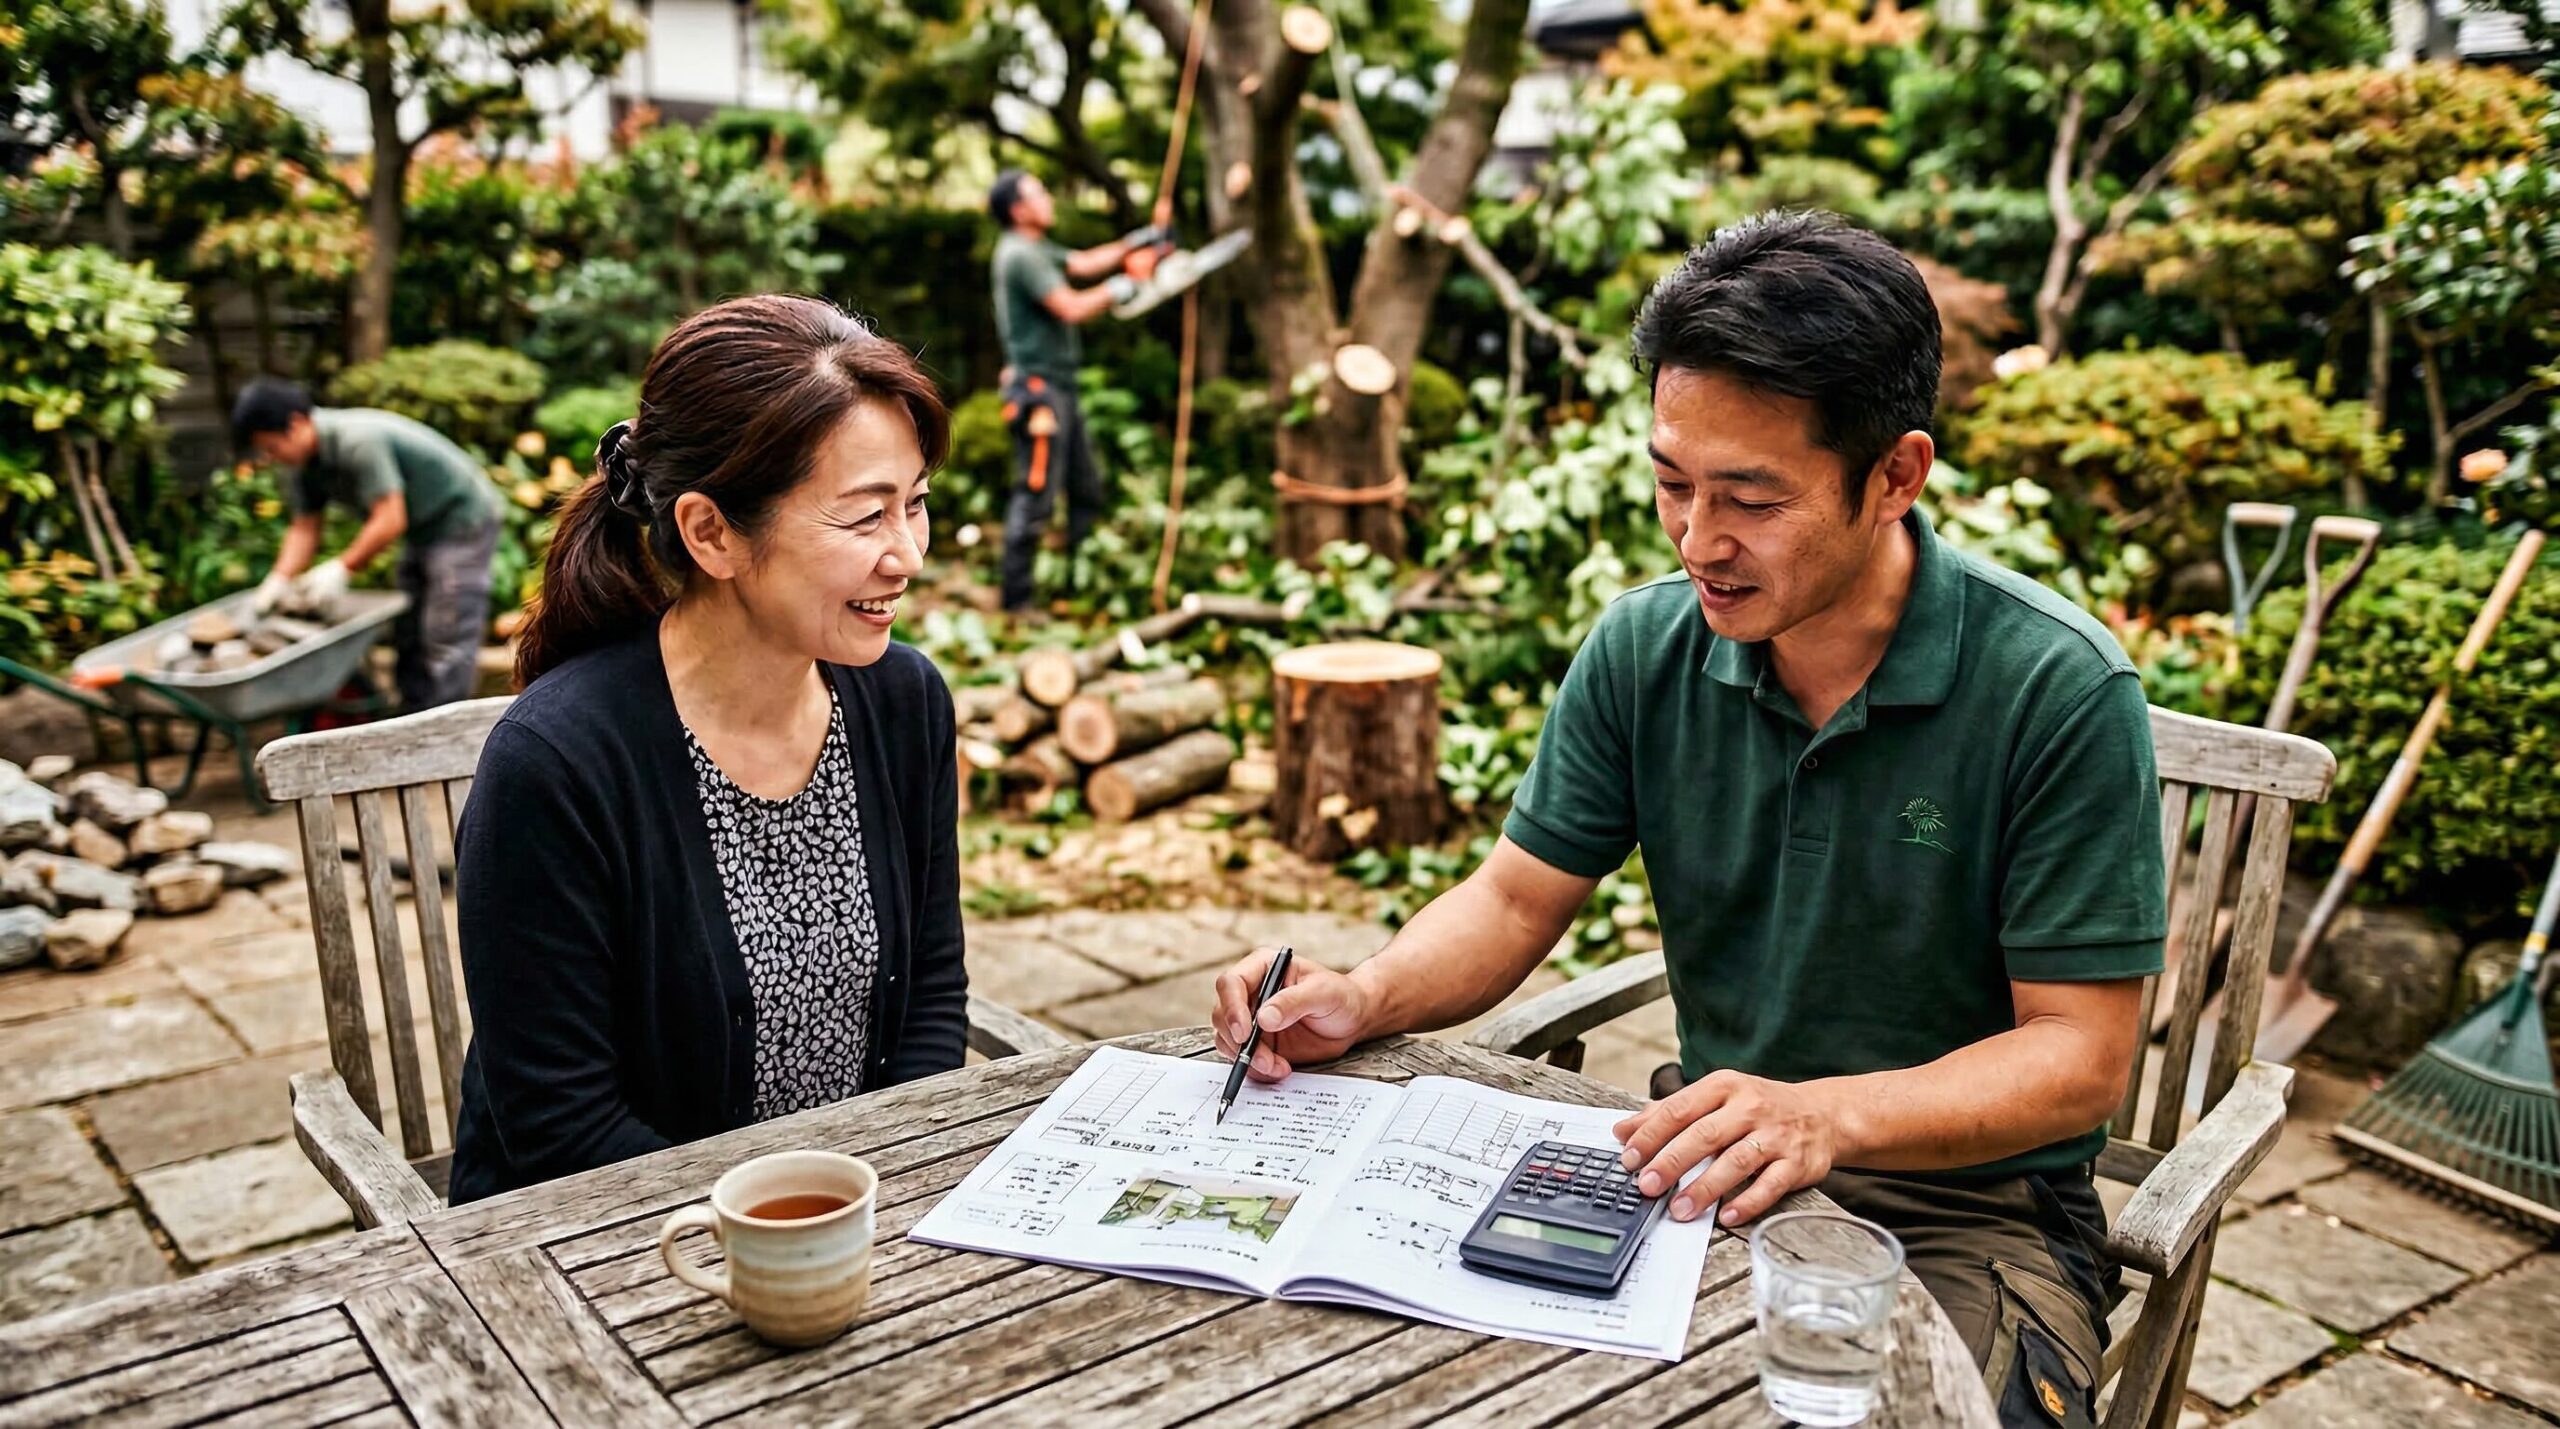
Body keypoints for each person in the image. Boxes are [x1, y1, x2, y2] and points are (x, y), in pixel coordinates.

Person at [1207, 213, 2162, 1426]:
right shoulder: (1645, 647)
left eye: (1750, 499)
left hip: (1967, 1216)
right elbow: (1513, 897)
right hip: (1703, 1174)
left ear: (1895, 476)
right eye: (1672, 483)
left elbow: (2078, 1057)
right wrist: (1367, 993)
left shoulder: (2054, 689)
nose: (1699, 540)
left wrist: (1824, 1113)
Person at [446, 295, 968, 1202]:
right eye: (864, 518)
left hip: (854, 1214)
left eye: (914, 505)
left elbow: (930, 994)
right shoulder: (557, 762)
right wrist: (782, 1221)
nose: (907, 555)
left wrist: (887, 1184)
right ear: (711, 531)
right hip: (610, 1240)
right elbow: (562, 1123)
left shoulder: (903, 701)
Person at [229, 379, 504, 710]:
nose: (273, 458)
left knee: (446, 628)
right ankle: (412, 716)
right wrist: (278, 580)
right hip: (421, 529)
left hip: (462, 518)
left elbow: (390, 518)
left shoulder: (357, 441)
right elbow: (304, 529)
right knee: (409, 630)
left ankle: (449, 722)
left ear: (297, 424)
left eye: (273, 447)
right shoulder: (306, 467)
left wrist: (342, 568)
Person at [987, 170, 1167, 611]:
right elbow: (1070, 306)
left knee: (1087, 489)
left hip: (1059, 389)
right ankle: (1016, 604)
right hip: (1039, 394)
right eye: (1039, 193)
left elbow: (1084, 263)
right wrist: (1127, 283)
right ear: (1018, 210)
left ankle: (1077, 584)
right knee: (1036, 498)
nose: (1048, 198)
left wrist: (1140, 240)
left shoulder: (1038, 248)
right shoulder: (1019, 255)